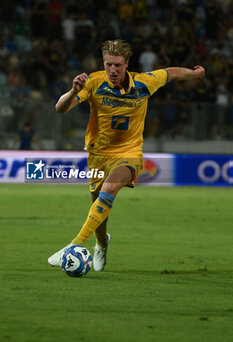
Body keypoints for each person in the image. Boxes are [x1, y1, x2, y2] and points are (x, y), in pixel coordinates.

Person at [48, 39, 205, 272]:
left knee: (109, 189)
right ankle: (101, 243)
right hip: (98, 154)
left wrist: (193, 75)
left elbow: (170, 73)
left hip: (128, 152)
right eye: (108, 64)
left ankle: (74, 245)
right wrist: (73, 91)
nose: (112, 70)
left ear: (127, 64)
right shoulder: (93, 82)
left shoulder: (144, 83)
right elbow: (60, 108)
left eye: (117, 65)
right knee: (98, 208)